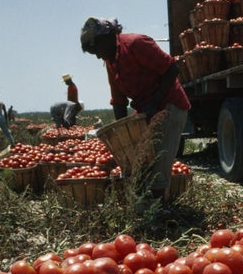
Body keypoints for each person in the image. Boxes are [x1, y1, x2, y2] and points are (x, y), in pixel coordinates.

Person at [80, 17, 190, 198]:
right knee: (138, 163)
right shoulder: (110, 62)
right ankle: (144, 207)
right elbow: (118, 100)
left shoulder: (136, 44)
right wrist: (121, 134)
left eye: (97, 50)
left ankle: (158, 215)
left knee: (158, 162)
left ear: (107, 38)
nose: (98, 56)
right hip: (145, 114)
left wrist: (155, 102)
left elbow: (171, 68)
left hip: (169, 106)